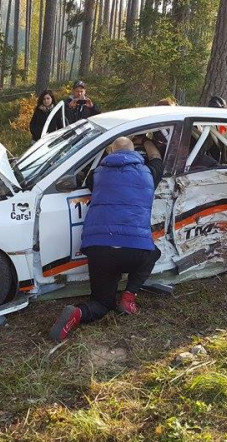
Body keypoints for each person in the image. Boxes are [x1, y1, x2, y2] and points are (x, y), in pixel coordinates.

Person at [49, 137, 163, 342]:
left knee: (101, 303)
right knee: (153, 253)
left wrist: (106, 148)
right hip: (134, 250)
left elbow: (98, 171)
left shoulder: (98, 174)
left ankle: (77, 313)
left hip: (99, 249)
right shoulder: (149, 173)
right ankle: (129, 297)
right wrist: (146, 140)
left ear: (110, 152)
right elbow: (156, 157)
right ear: (134, 152)